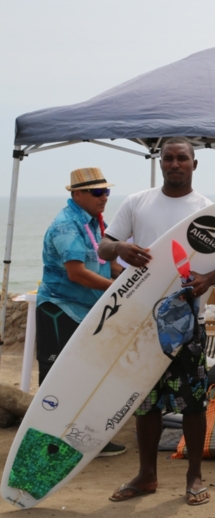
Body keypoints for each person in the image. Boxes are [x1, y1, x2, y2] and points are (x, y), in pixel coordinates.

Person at [98, 137, 215, 506]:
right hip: (140, 321)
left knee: (193, 402)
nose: (175, 164)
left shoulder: (206, 209)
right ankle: (147, 475)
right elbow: (103, 245)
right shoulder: (137, 202)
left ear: (194, 164)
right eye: (168, 158)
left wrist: (209, 278)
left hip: (185, 325)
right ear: (160, 162)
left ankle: (194, 476)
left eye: (182, 158)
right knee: (145, 403)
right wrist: (121, 248)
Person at [36, 167, 126, 457]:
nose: (105, 197)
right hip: (60, 310)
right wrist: (118, 290)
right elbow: (76, 273)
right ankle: (48, 444)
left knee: (90, 376)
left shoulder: (97, 223)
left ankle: (88, 439)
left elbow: (111, 264)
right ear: (77, 194)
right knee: (57, 380)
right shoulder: (66, 226)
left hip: (89, 311)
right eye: (98, 192)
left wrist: (136, 278)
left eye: (107, 191)